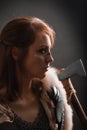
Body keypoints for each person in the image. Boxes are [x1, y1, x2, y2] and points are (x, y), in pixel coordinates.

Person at [0, 16, 73, 130]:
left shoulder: (51, 96)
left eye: (49, 50)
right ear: (15, 53)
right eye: (42, 50)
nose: (50, 59)